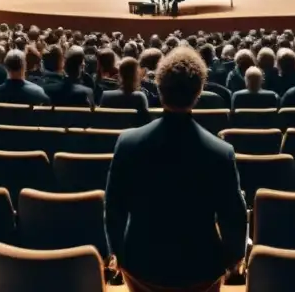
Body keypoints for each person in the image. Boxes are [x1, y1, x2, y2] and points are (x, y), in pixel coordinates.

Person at [105, 46, 246, 292]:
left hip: (141, 266)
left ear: (159, 90)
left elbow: (114, 206)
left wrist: (119, 255)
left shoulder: (127, 143)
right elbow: (233, 215)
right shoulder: (221, 152)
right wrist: (230, 260)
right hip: (201, 270)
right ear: (199, 91)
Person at [99, 57, 150, 124]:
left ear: (120, 74)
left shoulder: (105, 96)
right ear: (136, 75)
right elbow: (146, 122)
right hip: (133, 134)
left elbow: (101, 121)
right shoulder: (140, 97)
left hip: (109, 134)